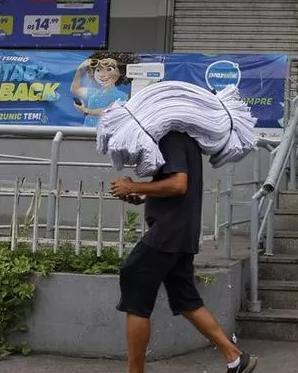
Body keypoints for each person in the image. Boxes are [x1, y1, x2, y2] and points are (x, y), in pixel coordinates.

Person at [110, 130, 258, 373]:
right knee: (185, 298)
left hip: (169, 232)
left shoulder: (172, 138)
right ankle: (234, 357)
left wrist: (132, 185)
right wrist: (141, 195)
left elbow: (179, 184)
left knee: (133, 277)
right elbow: (173, 188)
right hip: (181, 232)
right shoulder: (183, 140)